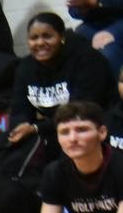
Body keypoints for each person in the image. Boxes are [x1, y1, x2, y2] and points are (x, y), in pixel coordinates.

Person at [6, 12, 114, 169]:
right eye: (34, 38)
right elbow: (19, 109)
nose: (40, 42)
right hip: (52, 129)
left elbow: (82, 109)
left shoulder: (87, 60)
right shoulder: (25, 68)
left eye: (47, 36)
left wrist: (36, 128)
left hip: (88, 126)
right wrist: (20, 127)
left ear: (62, 37)